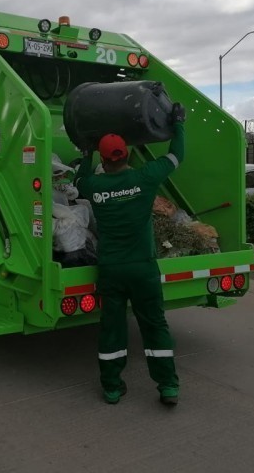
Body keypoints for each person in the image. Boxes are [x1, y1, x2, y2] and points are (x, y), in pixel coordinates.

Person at [74, 102, 186, 407]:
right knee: (154, 325)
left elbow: (78, 180)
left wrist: (85, 152)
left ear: (103, 159)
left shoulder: (94, 186)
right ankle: (168, 386)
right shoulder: (145, 178)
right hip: (143, 269)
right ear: (127, 154)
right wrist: (178, 124)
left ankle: (112, 387)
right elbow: (177, 155)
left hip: (111, 270)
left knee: (112, 328)